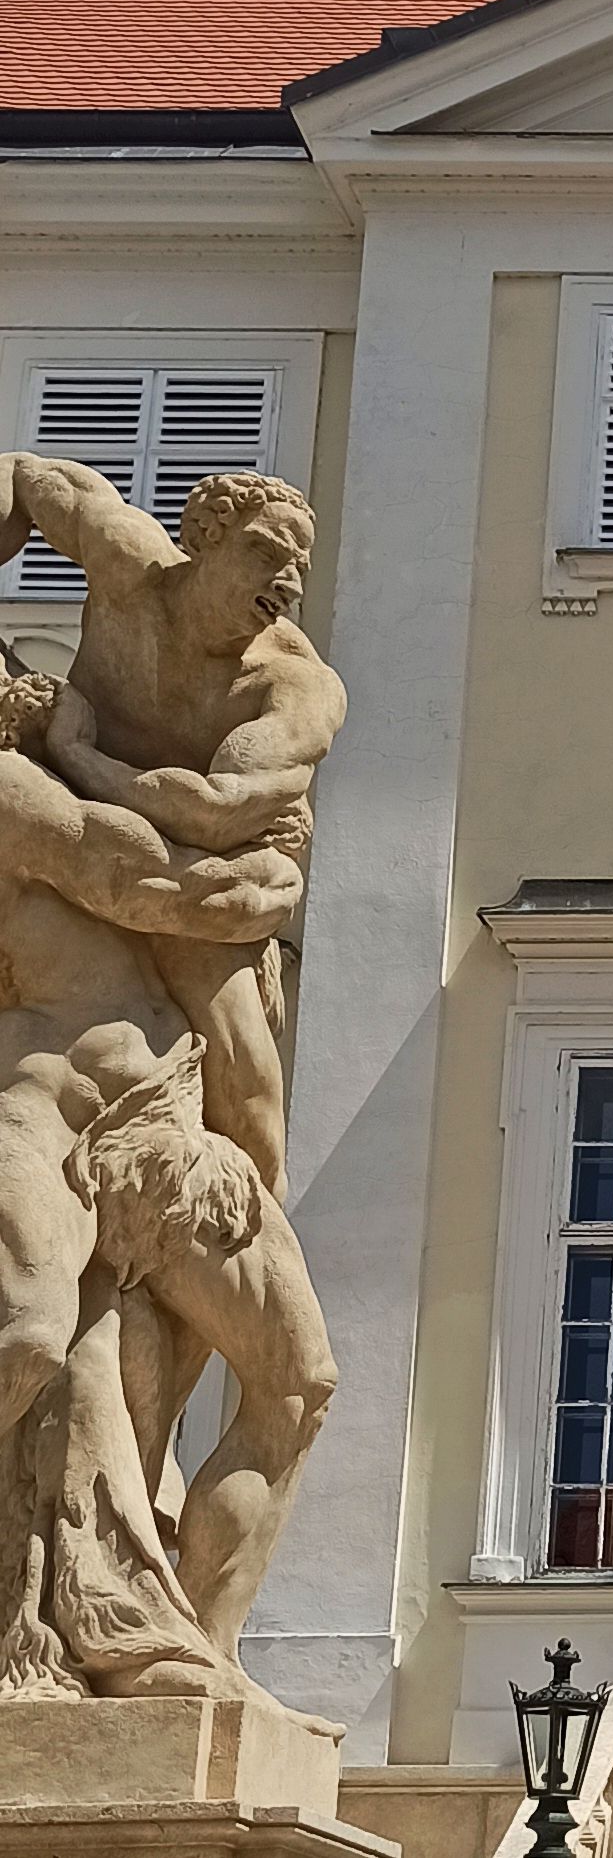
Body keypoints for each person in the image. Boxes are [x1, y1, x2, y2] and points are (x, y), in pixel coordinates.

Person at [0, 673, 333, 1696]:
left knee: (295, 1378)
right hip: (49, 1115)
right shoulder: (16, 795)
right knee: (28, 1340)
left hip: (169, 1118)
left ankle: (189, 1640)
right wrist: (260, 870)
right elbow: (131, 875)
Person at [0, 457, 344, 1198]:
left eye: (298, 568)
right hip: (62, 827)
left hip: (195, 882)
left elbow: (216, 809)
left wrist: (73, 752)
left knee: (253, 1115)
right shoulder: (127, 566)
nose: (286, 582)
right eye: (266, 554)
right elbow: (26, 476)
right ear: (206, 536)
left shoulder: (292, 684)